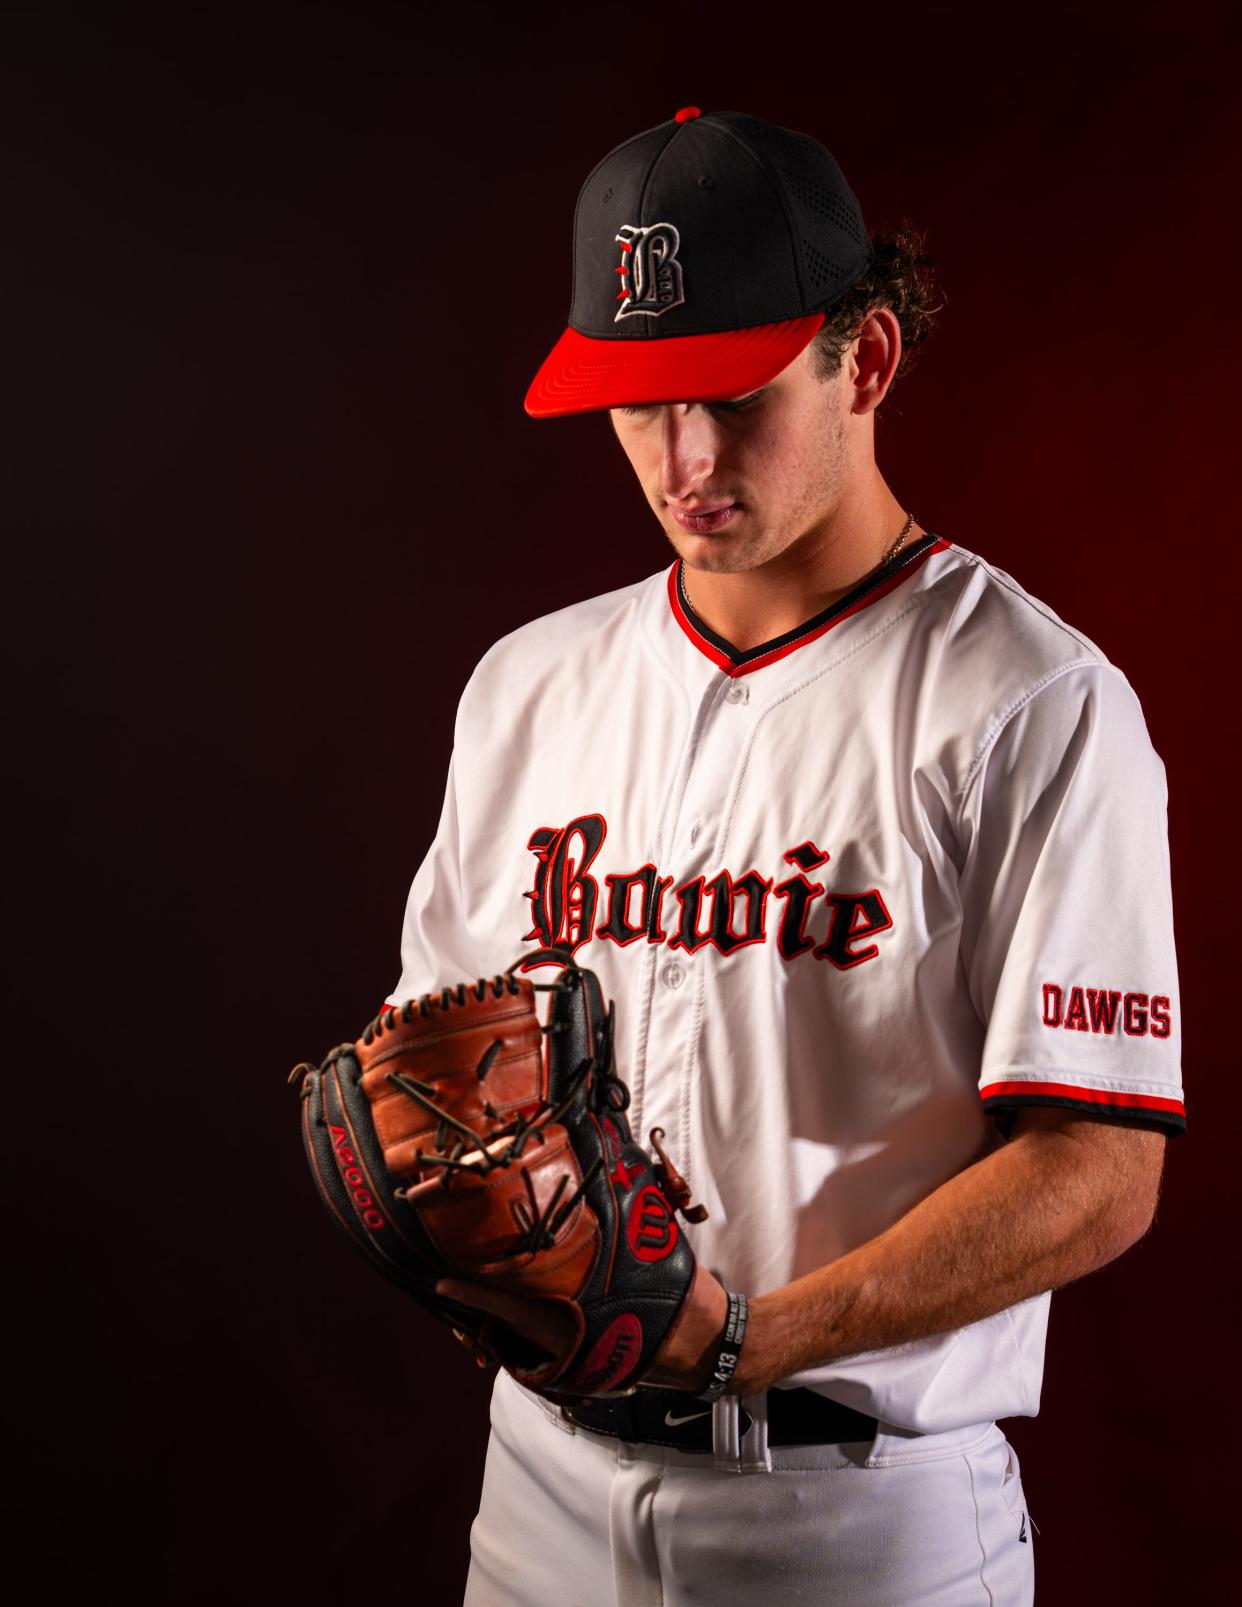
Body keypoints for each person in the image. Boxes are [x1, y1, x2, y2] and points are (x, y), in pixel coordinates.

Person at [386, 108, 1184, 1605]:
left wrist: (749, 1334)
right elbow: (442, 1054)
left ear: (862, 361)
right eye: (637, 407)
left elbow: (1097, 1168)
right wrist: (453, 1211)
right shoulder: (529, 684)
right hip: (536, 1502)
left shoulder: (1029, 704)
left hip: (855, 1525)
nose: (680, 459)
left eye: (728, 398)